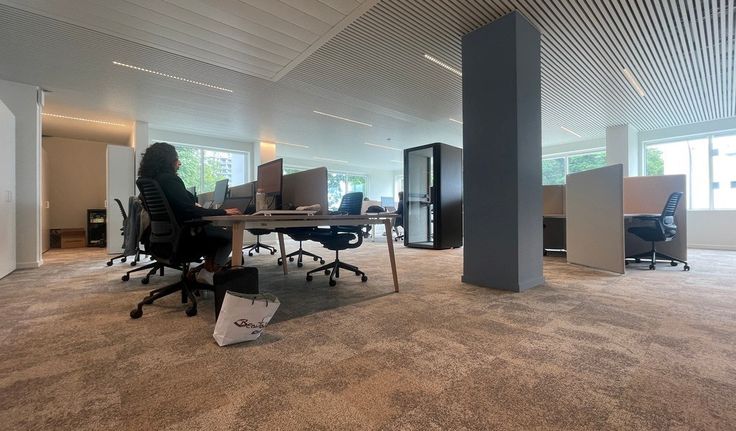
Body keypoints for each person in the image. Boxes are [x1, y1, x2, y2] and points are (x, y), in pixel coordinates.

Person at [137, 142, 240, 285]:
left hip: (161, 240)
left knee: (214, 232)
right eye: (176, 159)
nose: (179, 163)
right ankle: (208, 274)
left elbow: (183, 207)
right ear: (168, 160)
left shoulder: (153, 180)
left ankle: (202, 271)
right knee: (230, 236)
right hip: (182, 240)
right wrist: (224, 211)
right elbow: (189, 211)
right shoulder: (169, 179)